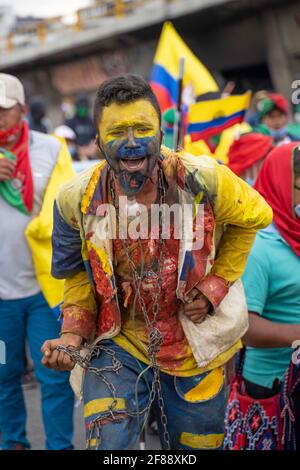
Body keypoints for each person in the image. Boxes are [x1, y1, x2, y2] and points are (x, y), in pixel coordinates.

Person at [41, 74, 272, 450]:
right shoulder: (75, 201)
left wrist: (217, 284)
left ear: (161, 134)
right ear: (97, 141)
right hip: (118, 342)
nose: (132, 143)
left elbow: (255, 218)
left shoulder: (205, 179)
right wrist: (71, 334)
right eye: (118, 131)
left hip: (195, 345)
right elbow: (74, 275)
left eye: (142, 128)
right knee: (109, 446)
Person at [0, 73, 75, 450]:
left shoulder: (52, 148)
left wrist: (38, 225)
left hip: (47, 290)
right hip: (0, 298)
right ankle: (12, 443)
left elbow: (65, 206)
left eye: (3, 111)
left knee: (55, 374)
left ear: (22, 110)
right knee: (2, 374)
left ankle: (60, 445)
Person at [225, 143, 300, 450]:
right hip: (272, 388)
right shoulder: (260, 246)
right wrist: (296, 335)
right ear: (282, 183)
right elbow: (244, 326)